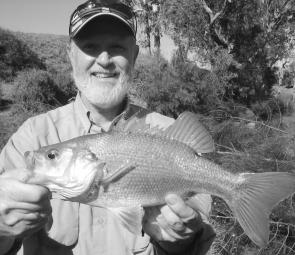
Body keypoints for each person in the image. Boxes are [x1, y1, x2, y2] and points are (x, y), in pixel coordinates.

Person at [0, 1, 215, 254]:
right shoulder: (32, 136)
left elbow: (201, 232)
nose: (104, 60)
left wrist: (182, 244)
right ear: (70, 54)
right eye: (90, 47)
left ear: (134, 55)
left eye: (116, 47)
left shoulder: (170, 132)